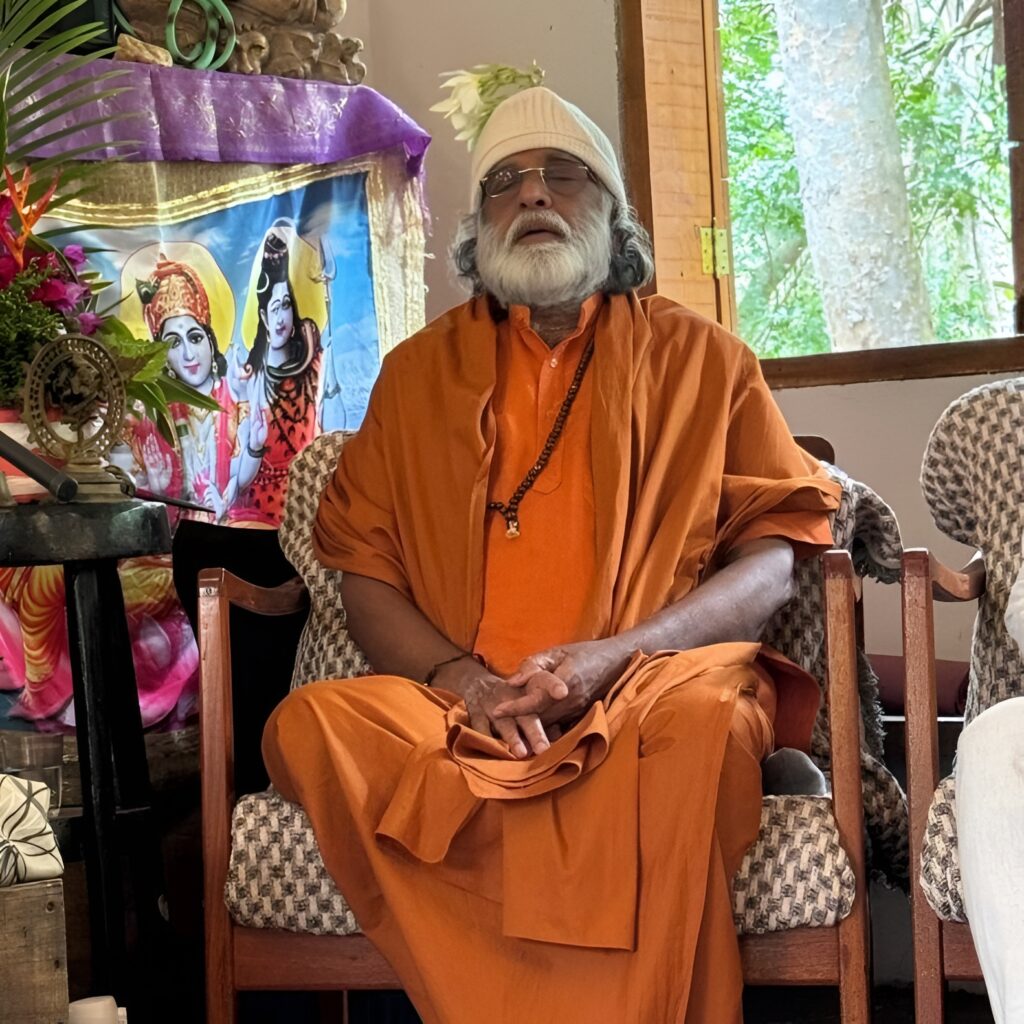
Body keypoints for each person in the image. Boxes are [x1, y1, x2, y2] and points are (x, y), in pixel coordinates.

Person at [261, 85, 842, 1023]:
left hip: (645, 692)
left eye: (563, 176)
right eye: (505, 184)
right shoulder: (413, 378)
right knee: (315, 726)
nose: (533, 197)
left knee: (698, 729)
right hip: (464, 714)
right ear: (477, 231)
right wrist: (465, 682)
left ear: (613, 217)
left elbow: (775, 560)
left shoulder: (708, 361)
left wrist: (612, 658)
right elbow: (364, 571)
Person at [133, 256, 264, 521]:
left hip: (233, 523)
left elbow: (241, 476)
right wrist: (159, 487)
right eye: (174, 344)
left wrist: (255, 446)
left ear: (211, 341)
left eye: (194, 338)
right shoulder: (155, 415)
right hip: (178, 534)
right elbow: (140, 495)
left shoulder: (235, 397)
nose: (189, 354)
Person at [233, 229, 322, 525]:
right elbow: (239, 478)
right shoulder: (251, 379)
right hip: (258, 512)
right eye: (275, 308)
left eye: (286, 305)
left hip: (308, 501)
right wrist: (254, 445)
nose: (282, 317)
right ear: (263, 319)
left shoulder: (311, 362)